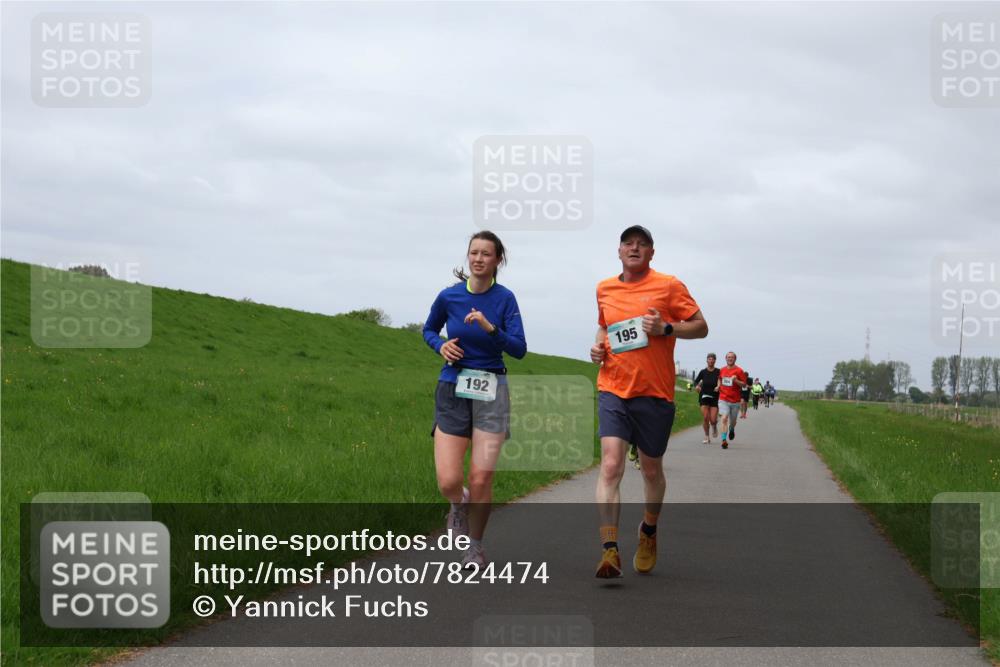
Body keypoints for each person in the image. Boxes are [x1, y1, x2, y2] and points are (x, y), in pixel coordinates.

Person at [590, 225, 708, 578]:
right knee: (611, 466)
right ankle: (609, 550)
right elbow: (603, 327)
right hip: (613, 387)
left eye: (642, 244)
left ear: (652, 253)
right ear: (619, 251)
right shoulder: (604, 288)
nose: (635, 248)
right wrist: (598, 347)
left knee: (652, 470)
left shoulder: (669, 285)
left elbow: (701, 326)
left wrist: (667, 329)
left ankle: (649, 530)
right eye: (629, 243)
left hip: (654, 393)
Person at [422, 231, 526, 569]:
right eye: (474, 253)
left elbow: (519, 349)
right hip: (452, 387)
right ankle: (458, 503)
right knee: (449, 480)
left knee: (481, 478)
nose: (479, 258)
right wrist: (441, 346)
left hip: (491, 389)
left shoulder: (505, 299)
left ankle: (475, 549)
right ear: (468, 257)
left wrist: (489, 328)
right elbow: (428, 330)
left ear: (498, 261)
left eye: (486, 254)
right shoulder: (449, 296)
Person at [717, 351, 748, 449]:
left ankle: (732, 429)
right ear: (726, 358)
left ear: (735, 359)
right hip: (723, 398)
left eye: (732, 357)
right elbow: (719, 379)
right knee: (724, 418)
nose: (730, 359)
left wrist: (735, 380)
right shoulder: (722, 370)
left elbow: (744, 384)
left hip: (735, 401)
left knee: (733, 421)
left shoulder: (739, 371)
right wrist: (718, 386)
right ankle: (723, 440)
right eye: (728, 357)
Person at [694, 353, 721, 444]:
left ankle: (714, 426)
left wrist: (718, 387)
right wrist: (697, 386)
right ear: (707, 360)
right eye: (709, 359)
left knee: (713, 419)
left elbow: (720, 381)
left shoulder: (718, 371)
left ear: (715, 361)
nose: (711, 360)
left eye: (712, 359)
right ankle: (706, 436)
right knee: (705, 417)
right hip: (704, 396)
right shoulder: (703, 372)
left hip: (714, 397)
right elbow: (696, 381)